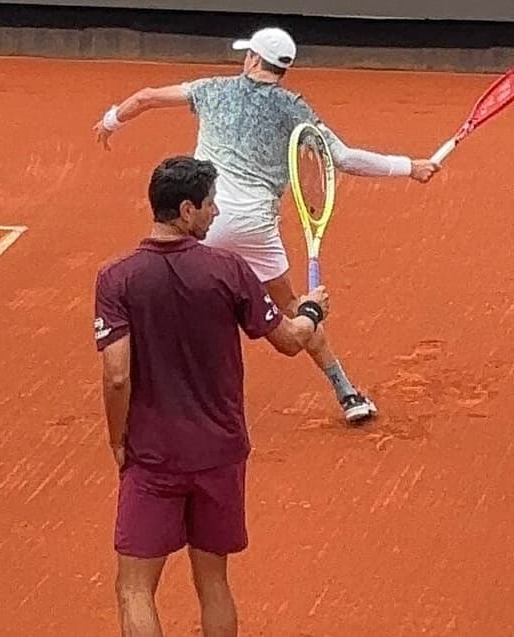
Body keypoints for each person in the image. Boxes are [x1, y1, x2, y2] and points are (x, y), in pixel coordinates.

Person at [93, 26, 440, 424]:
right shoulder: (294, 108)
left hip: (205, 219)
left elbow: (146, 97)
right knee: (294, 308)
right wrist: (410, 166)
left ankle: (165, 392)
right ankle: (347, 392)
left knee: (171, 297)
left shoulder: (212, 89)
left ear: (254, 59)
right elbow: (343, 158)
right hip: (257, 228)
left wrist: (110, 121)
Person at [94, 155, 330, 637]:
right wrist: (310, 311)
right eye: (209, 204)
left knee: (134, 588)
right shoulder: (229, 270)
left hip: (154, 455)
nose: (217, 212)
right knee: (214, 580)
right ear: (186, 210)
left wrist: (119, 440)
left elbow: (117, 376)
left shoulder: (117, 279)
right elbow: (289, 340)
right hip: (220, 453)